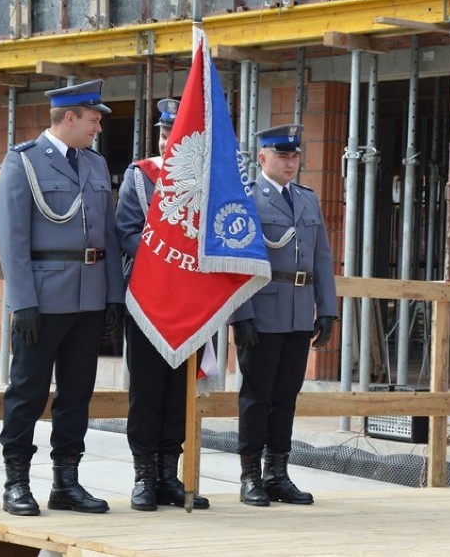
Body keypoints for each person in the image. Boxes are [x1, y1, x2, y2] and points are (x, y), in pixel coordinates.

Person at [0, 79, 125, 516]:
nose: (98, 128)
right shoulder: (24, 162)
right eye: (93, 120)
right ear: (69, 117)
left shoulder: (93, 165)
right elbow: (12, 239)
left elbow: (105, 235)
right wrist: (22, 301)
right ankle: (16, 482)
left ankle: (66, 482)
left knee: (76, 394)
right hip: (43, 300)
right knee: (27, 392)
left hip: (88, 300)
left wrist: (112, 298)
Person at [228, 124, 338, 507]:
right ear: (262, 158)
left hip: (297, 310)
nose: (290, 163)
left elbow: (322, 257)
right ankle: (250, 475)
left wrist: (327, 310)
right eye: (282, 156)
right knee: (256, 396)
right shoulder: (247, 199)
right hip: (261, 308)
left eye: (294, 156)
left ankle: (277, 472)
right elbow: (236, 260)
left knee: (286, 396)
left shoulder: (306, 199)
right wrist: (241, 315)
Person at [116, 99, 210, 511]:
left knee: (179, 392)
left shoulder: (207, 180)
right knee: (148, 390)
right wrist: (166, 258)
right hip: (149, 300)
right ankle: (144, 476)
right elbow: (126, 232)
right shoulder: (141, 177)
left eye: (178, 133)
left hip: (192, 301)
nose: (168, 139)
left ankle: (170, 474)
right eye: (165, 133)